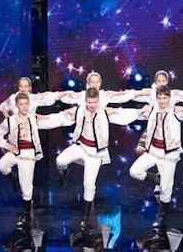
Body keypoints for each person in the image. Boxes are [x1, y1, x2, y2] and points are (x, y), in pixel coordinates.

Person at [43, 88, 139, 232]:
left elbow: (123, 115)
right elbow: (62, 116)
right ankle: (64, 173)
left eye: (94, 102)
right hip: (80, 146)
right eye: (89, 102)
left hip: (95, 153)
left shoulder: (105, 112)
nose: (91, 105)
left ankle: (85, 217)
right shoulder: (79, 110)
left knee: (89, 184)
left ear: (98, 101)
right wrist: (42, 118)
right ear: (85, 101)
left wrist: (140, 111)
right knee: (60, 161)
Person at [127, 86, 183, 229]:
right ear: (157, 98)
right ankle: (159, 180)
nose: (162, 101)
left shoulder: (175, 112)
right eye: (160, 98)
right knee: (134, 171)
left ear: (169, 98)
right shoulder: (152, 110)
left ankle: (161, 216)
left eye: (165, 98)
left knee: (165, 190)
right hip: (153, 151)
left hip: (168, 155)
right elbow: (129, 114)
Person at [0, 93, 48, 229]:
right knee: (1, 165)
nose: (24, 107)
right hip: (16, 151)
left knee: (26, 186)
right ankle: (13, 178)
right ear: (17, 106)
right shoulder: (10, 120)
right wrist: (7, 146)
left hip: (28, 154)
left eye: (26, 104)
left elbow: (51, 120)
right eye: (21, 104)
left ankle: (26, 214)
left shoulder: (33, 118)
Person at [0, 76, 67, 116]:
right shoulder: (13, 97)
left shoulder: (33, 98)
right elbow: (3, 108)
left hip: (30, 127)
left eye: (25, 86)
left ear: (29, 88)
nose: (23, 89)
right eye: (21, 86)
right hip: (15, 127)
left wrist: (66, 93)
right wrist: (9, 121)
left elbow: (49, 97)